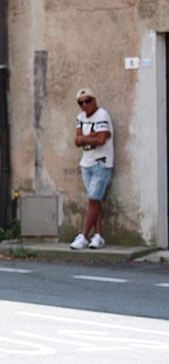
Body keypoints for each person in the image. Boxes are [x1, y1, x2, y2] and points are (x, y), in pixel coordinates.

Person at [70, 88, 114, 249]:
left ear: (94, 100)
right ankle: (99, 236)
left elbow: (102, 139)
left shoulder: (102, 115)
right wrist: (91, 137)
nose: (84, 105)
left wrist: (85, 138)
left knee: (93, 200)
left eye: (87, 101)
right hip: (86, 162)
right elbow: (77, 140)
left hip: (101, 162)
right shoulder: (80, 117)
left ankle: (83, 235)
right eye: (80, 103)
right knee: (95, 201)